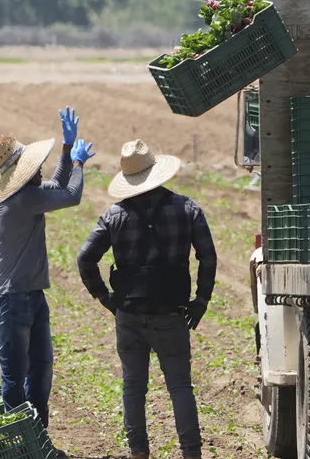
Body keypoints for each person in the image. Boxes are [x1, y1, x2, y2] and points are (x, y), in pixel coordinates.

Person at [77, 139, 217, 459]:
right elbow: (207, 258)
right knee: (180, 387)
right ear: (157, 171)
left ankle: (139, 453)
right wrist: (202, 300)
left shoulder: (114, 215)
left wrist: (105, 297)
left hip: (128, 313)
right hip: (172, 313)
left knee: (133, 387)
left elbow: (85, 259)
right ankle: (191, 453)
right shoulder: (188, 208)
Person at [0, 107, 94, 456]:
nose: (40, 170)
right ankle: (20, 447)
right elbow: (71, 194)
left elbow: (57, 184)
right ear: (24, 173)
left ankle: (38, 442)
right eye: (36, 166)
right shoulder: (22, 200)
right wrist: (78, 164)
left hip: (32, 296)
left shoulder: (28, 194)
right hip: (12, 300)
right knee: (16, 377)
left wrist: (66, 149)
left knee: (41, 370)